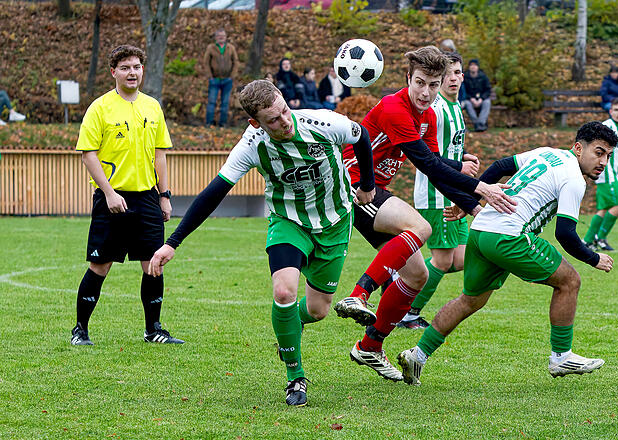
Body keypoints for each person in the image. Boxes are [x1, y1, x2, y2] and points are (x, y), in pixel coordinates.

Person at [147, 79, 376, 407]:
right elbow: (213, 194)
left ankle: (286, 329)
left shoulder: (324, 123)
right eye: (273, 119)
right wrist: (173, 242)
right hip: (288, 222)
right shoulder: (252, 145)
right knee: (283, 292)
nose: (284, 121)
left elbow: (362, 136)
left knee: (317, 310)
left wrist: (367, 183)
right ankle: (295, 377)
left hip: (334, 223)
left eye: (284, 110)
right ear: (256, 123)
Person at [333, 46, 515, 382]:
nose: (426, 92)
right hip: (354, 185)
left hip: (375, 192)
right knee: (419, 226)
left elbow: (434, 168)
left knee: (417, 276)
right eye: (420, 83)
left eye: (433, 85)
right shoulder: (393, 107)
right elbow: (428, 163)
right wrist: (479, 187)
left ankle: (370, 346)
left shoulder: (428, 116)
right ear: (408, 79)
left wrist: (474, 206)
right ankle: (358, 295)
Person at [397, 121, 618, 386]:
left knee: (471, 300)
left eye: (608, 155)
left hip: (480, 232)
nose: (603, 161)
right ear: (579, 148)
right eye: (599, 152)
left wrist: (470, 200)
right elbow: (566, 234)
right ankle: (561, 356)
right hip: (508, 236)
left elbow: (501, 167)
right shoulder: (573, 179)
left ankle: (417, 356)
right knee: (569, 281)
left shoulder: (547, 153)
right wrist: (594, 258)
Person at [71, 44, 180, 346]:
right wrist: (108, 192)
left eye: (136, 67)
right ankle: (80, 330)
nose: (132, 72)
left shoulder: (152, 106)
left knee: (153, 264)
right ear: (114, 72)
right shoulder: (100, 107)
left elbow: (160, 155)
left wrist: (164, 195)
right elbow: (88, 154)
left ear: (143, 70)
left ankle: (153, 329)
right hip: (112, 199)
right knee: (100, 265)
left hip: (147, 198)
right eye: (125, 68)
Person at [397, 51, 477, 329]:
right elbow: (426, 156)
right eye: (448, 74)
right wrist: (458, 168)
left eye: (457, 73)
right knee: (443, 261)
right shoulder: (436, 109)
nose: (453, 78)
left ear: (463, 76)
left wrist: (463, 157)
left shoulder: (456, 107)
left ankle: (398, 280)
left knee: (464, 256)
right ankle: (407, 311)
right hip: (436, 194)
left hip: (454, 193)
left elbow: (446, 148)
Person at [583, 98, 618, 251]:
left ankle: (588, 241)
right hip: (606, 173)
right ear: (610, 111)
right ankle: (599, 238)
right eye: (616, 110)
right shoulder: (606, 126)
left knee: (604, 209)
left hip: (617, 174)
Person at [203, 29, 239, 127]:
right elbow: (206, 63)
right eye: (219, 36)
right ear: (215, 37)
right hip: (214, 80)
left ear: (226, 36)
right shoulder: (211, 48)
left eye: (223, 35)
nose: (221, 37)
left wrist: (232, 76)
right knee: (212, 102)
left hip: (227, 80)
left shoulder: (230, 48)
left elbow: (235, 62)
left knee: (225, 103)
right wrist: (210, 76)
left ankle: (222, 123)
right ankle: (209, 123)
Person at [461, 59, 492, 132]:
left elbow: (488, 90)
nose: (473, 67)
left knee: (487, 102)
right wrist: (471, 98)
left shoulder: (483, 76)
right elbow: (463, 90)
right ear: (469, 67)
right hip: (469, 99)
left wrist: (481, 98)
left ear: (477, 67)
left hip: (481, 99)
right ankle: (477, 124)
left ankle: (481, 123)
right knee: (467, 104)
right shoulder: (465, 77)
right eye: (471, 65)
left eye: (475, 65)